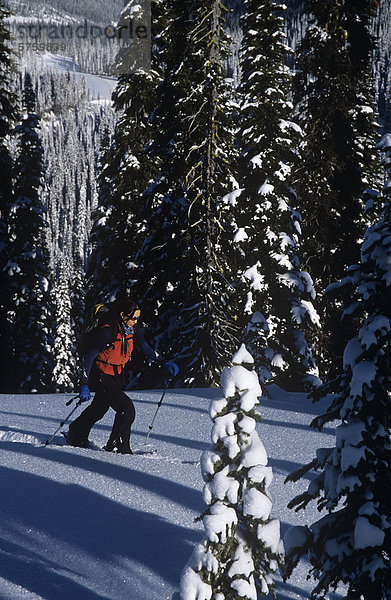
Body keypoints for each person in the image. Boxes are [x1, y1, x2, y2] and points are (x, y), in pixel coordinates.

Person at [67, 296, 178, 453]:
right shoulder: (107, 330)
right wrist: (84, 383)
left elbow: (145, 348)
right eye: (133, 318)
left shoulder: (131, 328)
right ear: (122, 315)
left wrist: (164, 361)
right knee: (126, 409)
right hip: (101, 374)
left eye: (137, 318)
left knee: (100, 407)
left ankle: (76, 433)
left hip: (117, 374)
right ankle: (117, 447)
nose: (136, 321)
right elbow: (89, 356)